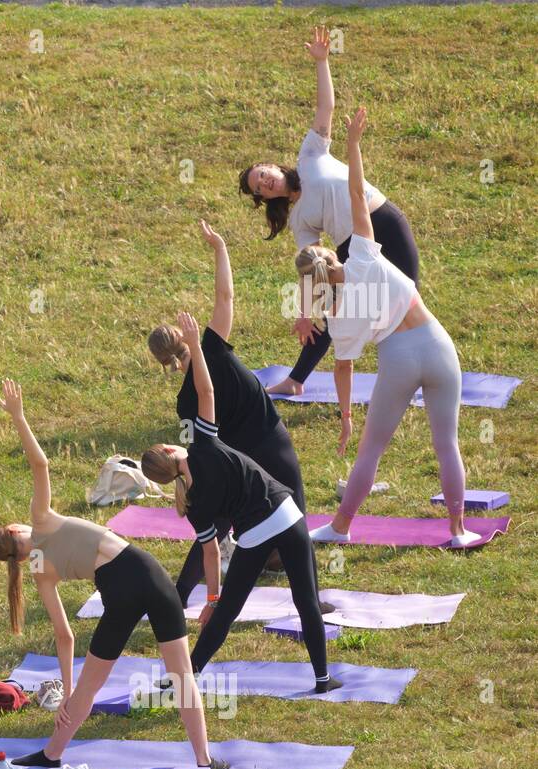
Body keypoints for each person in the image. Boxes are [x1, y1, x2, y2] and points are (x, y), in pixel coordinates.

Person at [0, 379, 228, 769]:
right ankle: (204, 760)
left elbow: (64, 637)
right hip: (144, 572)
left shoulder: (39, 571)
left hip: (117, 593)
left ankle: (52, 753)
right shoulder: (41, 518)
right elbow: (41, 464)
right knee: (182, 674)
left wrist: (65, 690)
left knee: (89, 684)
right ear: (15, 527)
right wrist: (19, 417)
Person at [304, 109, 479, 549]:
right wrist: (353, 146)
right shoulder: (362, 254)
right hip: (438, 346)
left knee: (370, 451)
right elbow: (358, 194)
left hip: (397, 359)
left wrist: (345, 417)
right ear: (331, 255)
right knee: (447, 445)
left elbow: (343, 369)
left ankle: (341, 527)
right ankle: (457, 530)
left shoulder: (337, 315)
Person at [141, 314, 342, 694]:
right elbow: (207, 393)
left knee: (227, 613)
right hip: (284, 513)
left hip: (253, 536)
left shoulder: (193, 505)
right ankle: (322, 679)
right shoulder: (207, 443)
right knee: (305, 601)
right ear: (171, 449)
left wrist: (213, 598)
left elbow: (211, 555)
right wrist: (197, 350)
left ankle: (186, 677)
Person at [239, 25, 420, 396]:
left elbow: (326, 108)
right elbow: (310, 266)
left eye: (263, 174)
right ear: (265, 198)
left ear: (272, 166)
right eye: (259, 188)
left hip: (383, 219)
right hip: (354, 246)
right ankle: (295, 380)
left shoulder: (309, 155)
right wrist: (305, 315)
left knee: (410, 299)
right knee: (332, 310)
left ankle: (422, 370)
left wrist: (322, 62)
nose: (265, 183)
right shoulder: (299, 219)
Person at [148, 220, 314, 604]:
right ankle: (311, 600)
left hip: (232, 462)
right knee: (295, 521)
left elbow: (193, 450)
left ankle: (179, 594)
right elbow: (225, 297)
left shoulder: (185, 401)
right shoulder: (214, 350)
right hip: (269, 444)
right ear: (183, 335)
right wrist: (219, 247)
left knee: (216, 525)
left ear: (163, 364)